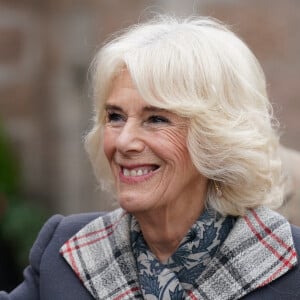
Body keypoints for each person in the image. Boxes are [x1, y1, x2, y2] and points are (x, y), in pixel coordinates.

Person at [1, 15, 299, 300]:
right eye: (115, 116)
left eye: (156, 119)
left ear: (217, 137)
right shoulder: (66, 251)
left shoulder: (287, 264)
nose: (124, 141)